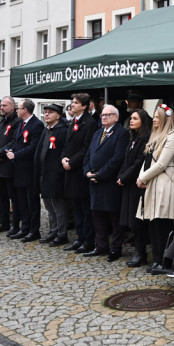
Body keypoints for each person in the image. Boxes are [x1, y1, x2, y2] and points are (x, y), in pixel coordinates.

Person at [137, 104, 174, 274]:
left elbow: (162, 163)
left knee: (162, 223)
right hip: (152, 184)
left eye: (157, 116)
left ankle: (164, 261)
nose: (154, 119)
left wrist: (142, 177)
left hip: (163, 184)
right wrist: (142, 177)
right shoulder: (154, 137)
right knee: (153, 223)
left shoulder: (171, 138)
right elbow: (147, 160)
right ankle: (157, 258)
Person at [83, 105, 129, 260]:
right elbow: (89, 154)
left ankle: (115, 248)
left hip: (109, 182)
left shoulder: (121, 133)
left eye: (107, 115)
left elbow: (117, 158)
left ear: (116, 117)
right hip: (94, 181)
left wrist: (100, 174)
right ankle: (101, 246)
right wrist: (87, 171)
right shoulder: (98, 133)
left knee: (114, 218)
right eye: (102, 115)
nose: (103, 117)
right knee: (97, 216)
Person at [62, 93, 99, 253]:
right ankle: (79, 237)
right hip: (70, 170)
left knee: (85, 209)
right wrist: (64, 158)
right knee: (76, 207)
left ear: (84, 106)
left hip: (80, 171)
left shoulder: (89, 123)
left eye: (76, 103)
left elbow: (86, 148)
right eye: (72, 102)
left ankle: (88, 240)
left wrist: (72, 162)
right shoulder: (73, 122)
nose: (73, 105)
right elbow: (67, 144)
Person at [119, 109, 153, 266]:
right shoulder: (133, 138)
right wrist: (120, 176)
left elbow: (139, 162)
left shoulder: (146, 139)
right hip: (128, 184)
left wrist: (125, 177)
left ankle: (140, 253)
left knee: (137, 220)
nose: (131, 121)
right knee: (131, 220)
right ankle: (138, 252)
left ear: (143, 121)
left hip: (137, 184)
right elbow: (126, 161)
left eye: (135, 118)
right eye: (131, 118)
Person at [8, 99, 43, 242]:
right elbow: (18, 142)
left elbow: (33, 147)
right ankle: (25, 228)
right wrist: (11, 150)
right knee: (21, 201)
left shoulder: (37, 125)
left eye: (19, 108)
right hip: (19, 169)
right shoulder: (21, 124)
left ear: (26, 110)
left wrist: (16, 154)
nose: (16, 110)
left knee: (32, 202)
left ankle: (34, 230)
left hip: (29, 169)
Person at [36, 103, 71, 246]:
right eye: (45, 112)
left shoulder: (62, 130)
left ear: (58, 115)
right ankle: (53, 231)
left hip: (56, 174)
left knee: (58, 207)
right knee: (49, 206)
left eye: (50, 112)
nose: (46, 114)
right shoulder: (46, 130)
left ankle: (62, 234)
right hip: (44, 173)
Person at [0, 96, 19, 234]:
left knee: (12, 195)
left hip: (9, 164)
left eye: (5, 105)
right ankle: (2, 221)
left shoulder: (17, 121)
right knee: (1, 195)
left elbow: (14, 142)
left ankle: (15, 224)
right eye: (1, 105)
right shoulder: (1, 121)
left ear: (12, 106)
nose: (2, 108)